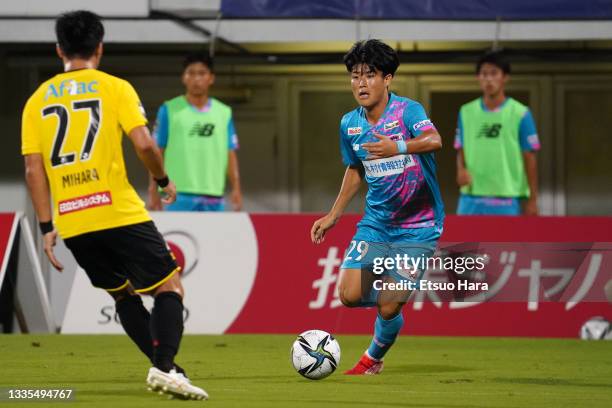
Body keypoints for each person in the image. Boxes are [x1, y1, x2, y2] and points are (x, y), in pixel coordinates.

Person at [21, 10, 207, 400]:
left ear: (59, 49)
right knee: (169, 287)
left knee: (123, 295)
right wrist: (162, 180)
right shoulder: (114, 88)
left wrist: (45, 226)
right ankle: (164, 367)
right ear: (100, 48)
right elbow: (144, 144)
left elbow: (33, 170)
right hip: (117, 211)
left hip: (72, 221)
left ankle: (167, 368)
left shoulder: (36, 101)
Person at [311, 40, 444, 375]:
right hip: (376, 223)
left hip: (419, 224)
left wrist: (396, 146)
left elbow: (434, 140)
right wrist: (334, 213)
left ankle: (373, 356)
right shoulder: (349, 124)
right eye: (355, 76)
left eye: (369, 75)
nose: (361, 83)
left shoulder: (407, 111)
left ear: (387, 78)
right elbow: (355, 168)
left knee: (387, 307)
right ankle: (394, 295)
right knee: (349, 295)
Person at [148, 53, 242, 212]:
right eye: (191, 73)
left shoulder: (224, 112)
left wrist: (236, 188)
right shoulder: (169, 109)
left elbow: (230, 153)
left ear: (211, 78)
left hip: (214, 195)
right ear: (184, 78)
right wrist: (153, 188)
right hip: (176, 194)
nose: (196, 78)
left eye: (202, 73)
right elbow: (157, 151)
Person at [455, 50, 541, 215]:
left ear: (505, 77)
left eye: (494, 73)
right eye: (484, 74)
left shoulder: (521, 113)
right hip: (470, 198)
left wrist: (533, 200)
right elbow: (460, 147)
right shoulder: (466, 111)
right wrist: (460, 169)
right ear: (478, 78)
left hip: (507, 198)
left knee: (503, 242)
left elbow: (530, 157)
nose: (488, 79)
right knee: (464, 241)